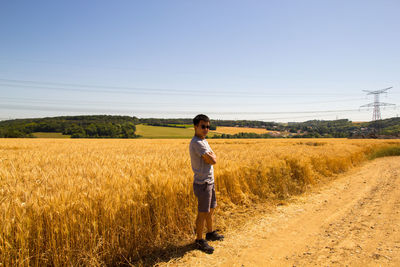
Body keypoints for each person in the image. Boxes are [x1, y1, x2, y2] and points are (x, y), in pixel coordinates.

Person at [189, 114, 224, 254]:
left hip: (210, 181)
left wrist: (211, 156)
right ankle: (199, 240)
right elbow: (213, 160)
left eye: (208, 126)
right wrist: (211, 156)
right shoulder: (197, 142)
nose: (206, 129)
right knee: (202, 212)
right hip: (202, 183)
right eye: (203, 126)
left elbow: (212, 157)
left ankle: (210, 233)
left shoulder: (204, 141)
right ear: (195, 126)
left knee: (211, 209)